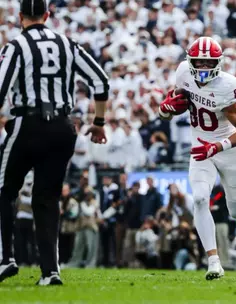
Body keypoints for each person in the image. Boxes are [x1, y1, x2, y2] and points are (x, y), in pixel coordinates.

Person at [0, 0, 108, 285]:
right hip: (62, 126)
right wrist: (98, 123)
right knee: (47, 199)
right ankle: (50, 271)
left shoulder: (16, 46)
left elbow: (0, 90)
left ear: (20, 16)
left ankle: (5, 258)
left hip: (28, 123)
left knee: (4, 189)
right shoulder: (67, 43)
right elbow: (101, 80)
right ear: (47, 15)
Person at [158, 36, 236, 280]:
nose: (203, 67)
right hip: (199, 147)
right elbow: (171, 108)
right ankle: (214, 262)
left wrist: (216, 147)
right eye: (199, 62)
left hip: (227, 149)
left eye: (208, 63)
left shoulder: (228, 86)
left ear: (218, 63)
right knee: (200, 198)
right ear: (190, 61)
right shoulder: (183, 73)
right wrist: (165, 109)